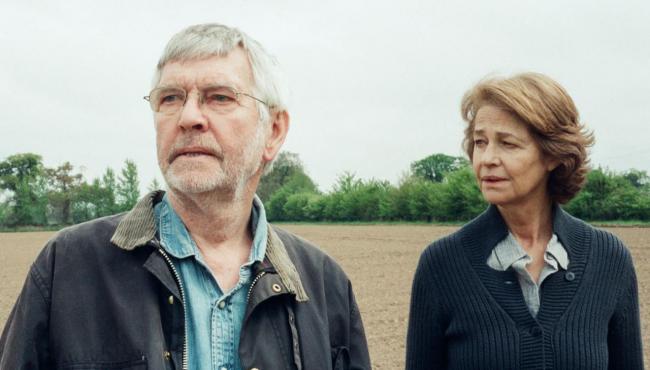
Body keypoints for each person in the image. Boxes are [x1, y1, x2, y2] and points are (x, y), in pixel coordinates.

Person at [0, 23, 370, 370]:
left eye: (219, 97)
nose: (188, 117)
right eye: (171, 98)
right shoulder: (66, 267)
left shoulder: (326, 286)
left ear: (273, 131)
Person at [405, 72, 643, 369]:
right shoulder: (442, 264)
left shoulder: (609, 259)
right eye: (480, 142)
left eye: (508, 144)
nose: (488, 158)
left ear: (553, 155)